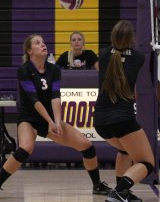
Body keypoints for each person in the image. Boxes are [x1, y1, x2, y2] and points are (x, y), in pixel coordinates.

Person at [0, 34, 110, 195]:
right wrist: (50, 121)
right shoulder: (24, 70)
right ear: (30, 50)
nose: (43, 44)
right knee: (25, 148)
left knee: (87, 145)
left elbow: (55, 96)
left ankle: (97, 185)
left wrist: (57, 122)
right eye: (37, 43)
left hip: (50, 119)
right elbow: (34, 100)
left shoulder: (54, 69)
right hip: (29, 119)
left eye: (43, 42)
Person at [93, 20, 155, 202]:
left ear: (112, 37)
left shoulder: (103, 55)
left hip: (100, 121)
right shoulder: (138, 58)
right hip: (122, 120)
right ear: (132, 39)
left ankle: (122, 191)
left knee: (125, 151)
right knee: (147, 163)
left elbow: (107, 63)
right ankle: (119, 191)